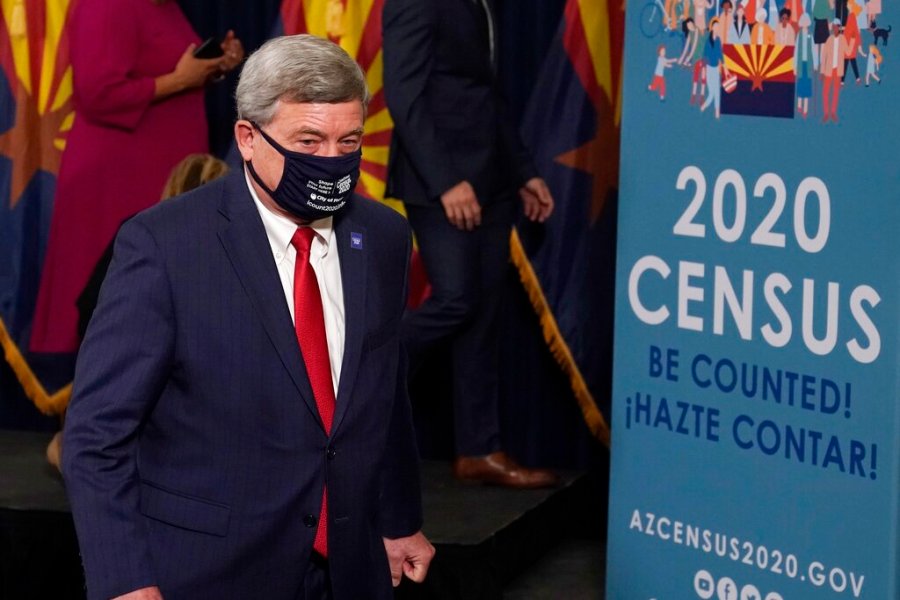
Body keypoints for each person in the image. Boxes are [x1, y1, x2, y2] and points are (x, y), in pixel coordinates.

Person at [62, 34, 434, 600]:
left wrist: (400, 517)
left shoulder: (382, 236)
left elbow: (385, 396)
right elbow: (96, 436)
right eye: (309, 140)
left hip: (352, 571)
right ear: (247, 138)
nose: (332, 162)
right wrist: (125, 582)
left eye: (349, 141)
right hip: (209, 571)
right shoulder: (164, 245)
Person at [382, 0, 558, 488]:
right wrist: (446, 181)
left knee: (482, 314)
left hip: (493, 178)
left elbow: (487, 95)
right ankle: (359, 368)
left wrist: (523, 172)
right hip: (440, 180)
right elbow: (404, 93)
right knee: (457, 299)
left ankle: (479, 450)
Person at [30, 0, 245, 354]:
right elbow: (98, 92)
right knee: (109, 306)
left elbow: (161, 66)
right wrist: (181, 79)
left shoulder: (164, 6)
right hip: (117, 182)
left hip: (156, 174)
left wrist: (213, 65)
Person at [820, 19, 852, 122]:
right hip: (828, 70)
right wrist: (822, 71)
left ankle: (833, 112)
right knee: (825, 92)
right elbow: (824, 55)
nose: (835, 29)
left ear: (839, 27)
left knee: (835, 92)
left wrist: (851, 41)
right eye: (833, 27)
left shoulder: (843, 39)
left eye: (836, 26)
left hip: (838, 70)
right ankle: (826, 113)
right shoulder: (829, 39)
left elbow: (848, 52)